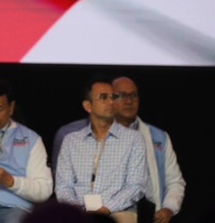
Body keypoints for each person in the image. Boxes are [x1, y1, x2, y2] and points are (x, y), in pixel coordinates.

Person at [55, 79, 147, 223]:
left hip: (118, 211)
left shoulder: (134, 139)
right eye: (104, 97)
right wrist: (76, 209)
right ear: (88, 106)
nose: (111, 102)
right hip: (79, 210)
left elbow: (136, 186)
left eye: (113, 97)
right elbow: (63, 186)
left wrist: (107, 208)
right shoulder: (71, 140)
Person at [0, 78, 53, 223]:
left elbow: (44, 190)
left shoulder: (31, 139)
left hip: (14, 209)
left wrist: (10, 181)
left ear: (11, 108)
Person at [112, 76, 186, 223]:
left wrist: (169, 208)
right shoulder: (99, 135)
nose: (129, 101)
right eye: (122, 96)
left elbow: (175, 181)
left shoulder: (158, 136)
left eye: (133, 95)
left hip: (149, 215)